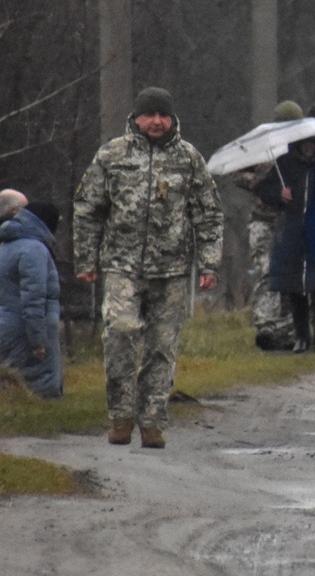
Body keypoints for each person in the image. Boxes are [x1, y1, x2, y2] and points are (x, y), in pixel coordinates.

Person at [73, 87, 224, 449]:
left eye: (164, 115)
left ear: (172, 119)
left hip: (171, 270)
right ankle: (120, 417)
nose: (157, 122)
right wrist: (85, 259)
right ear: (136, 118)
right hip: (122, 265)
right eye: (150, 115)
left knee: (161, 347)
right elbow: (88, 208)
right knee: (121, 335)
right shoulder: (112, 155)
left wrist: (209, 263)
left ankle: (153, 421)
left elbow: (208, 213)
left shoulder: (188, 159)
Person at [257, 134, 315, 354]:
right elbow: (263, 190)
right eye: (305, 143)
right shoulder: (285, 164)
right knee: (295, 288)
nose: (309, 147)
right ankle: (301, 336)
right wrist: (279, 194)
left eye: (313, 143)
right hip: (292, 233)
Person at [229, 99, 302, 350]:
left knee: (289, 273)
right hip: (263, 220)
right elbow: (236, 173)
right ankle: (265, 322)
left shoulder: (302, 148)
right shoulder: (261, 149)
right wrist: (261, 182)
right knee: (266, 269)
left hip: (291, 221)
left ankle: (288, 326)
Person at [0, 192, 63, 398]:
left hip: (7, 326)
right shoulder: (33, 250)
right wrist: (38, 342)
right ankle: (47, 422)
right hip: (27, 332)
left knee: (14, 385)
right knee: (40, 388)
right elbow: (33, 300)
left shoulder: (6, 245)